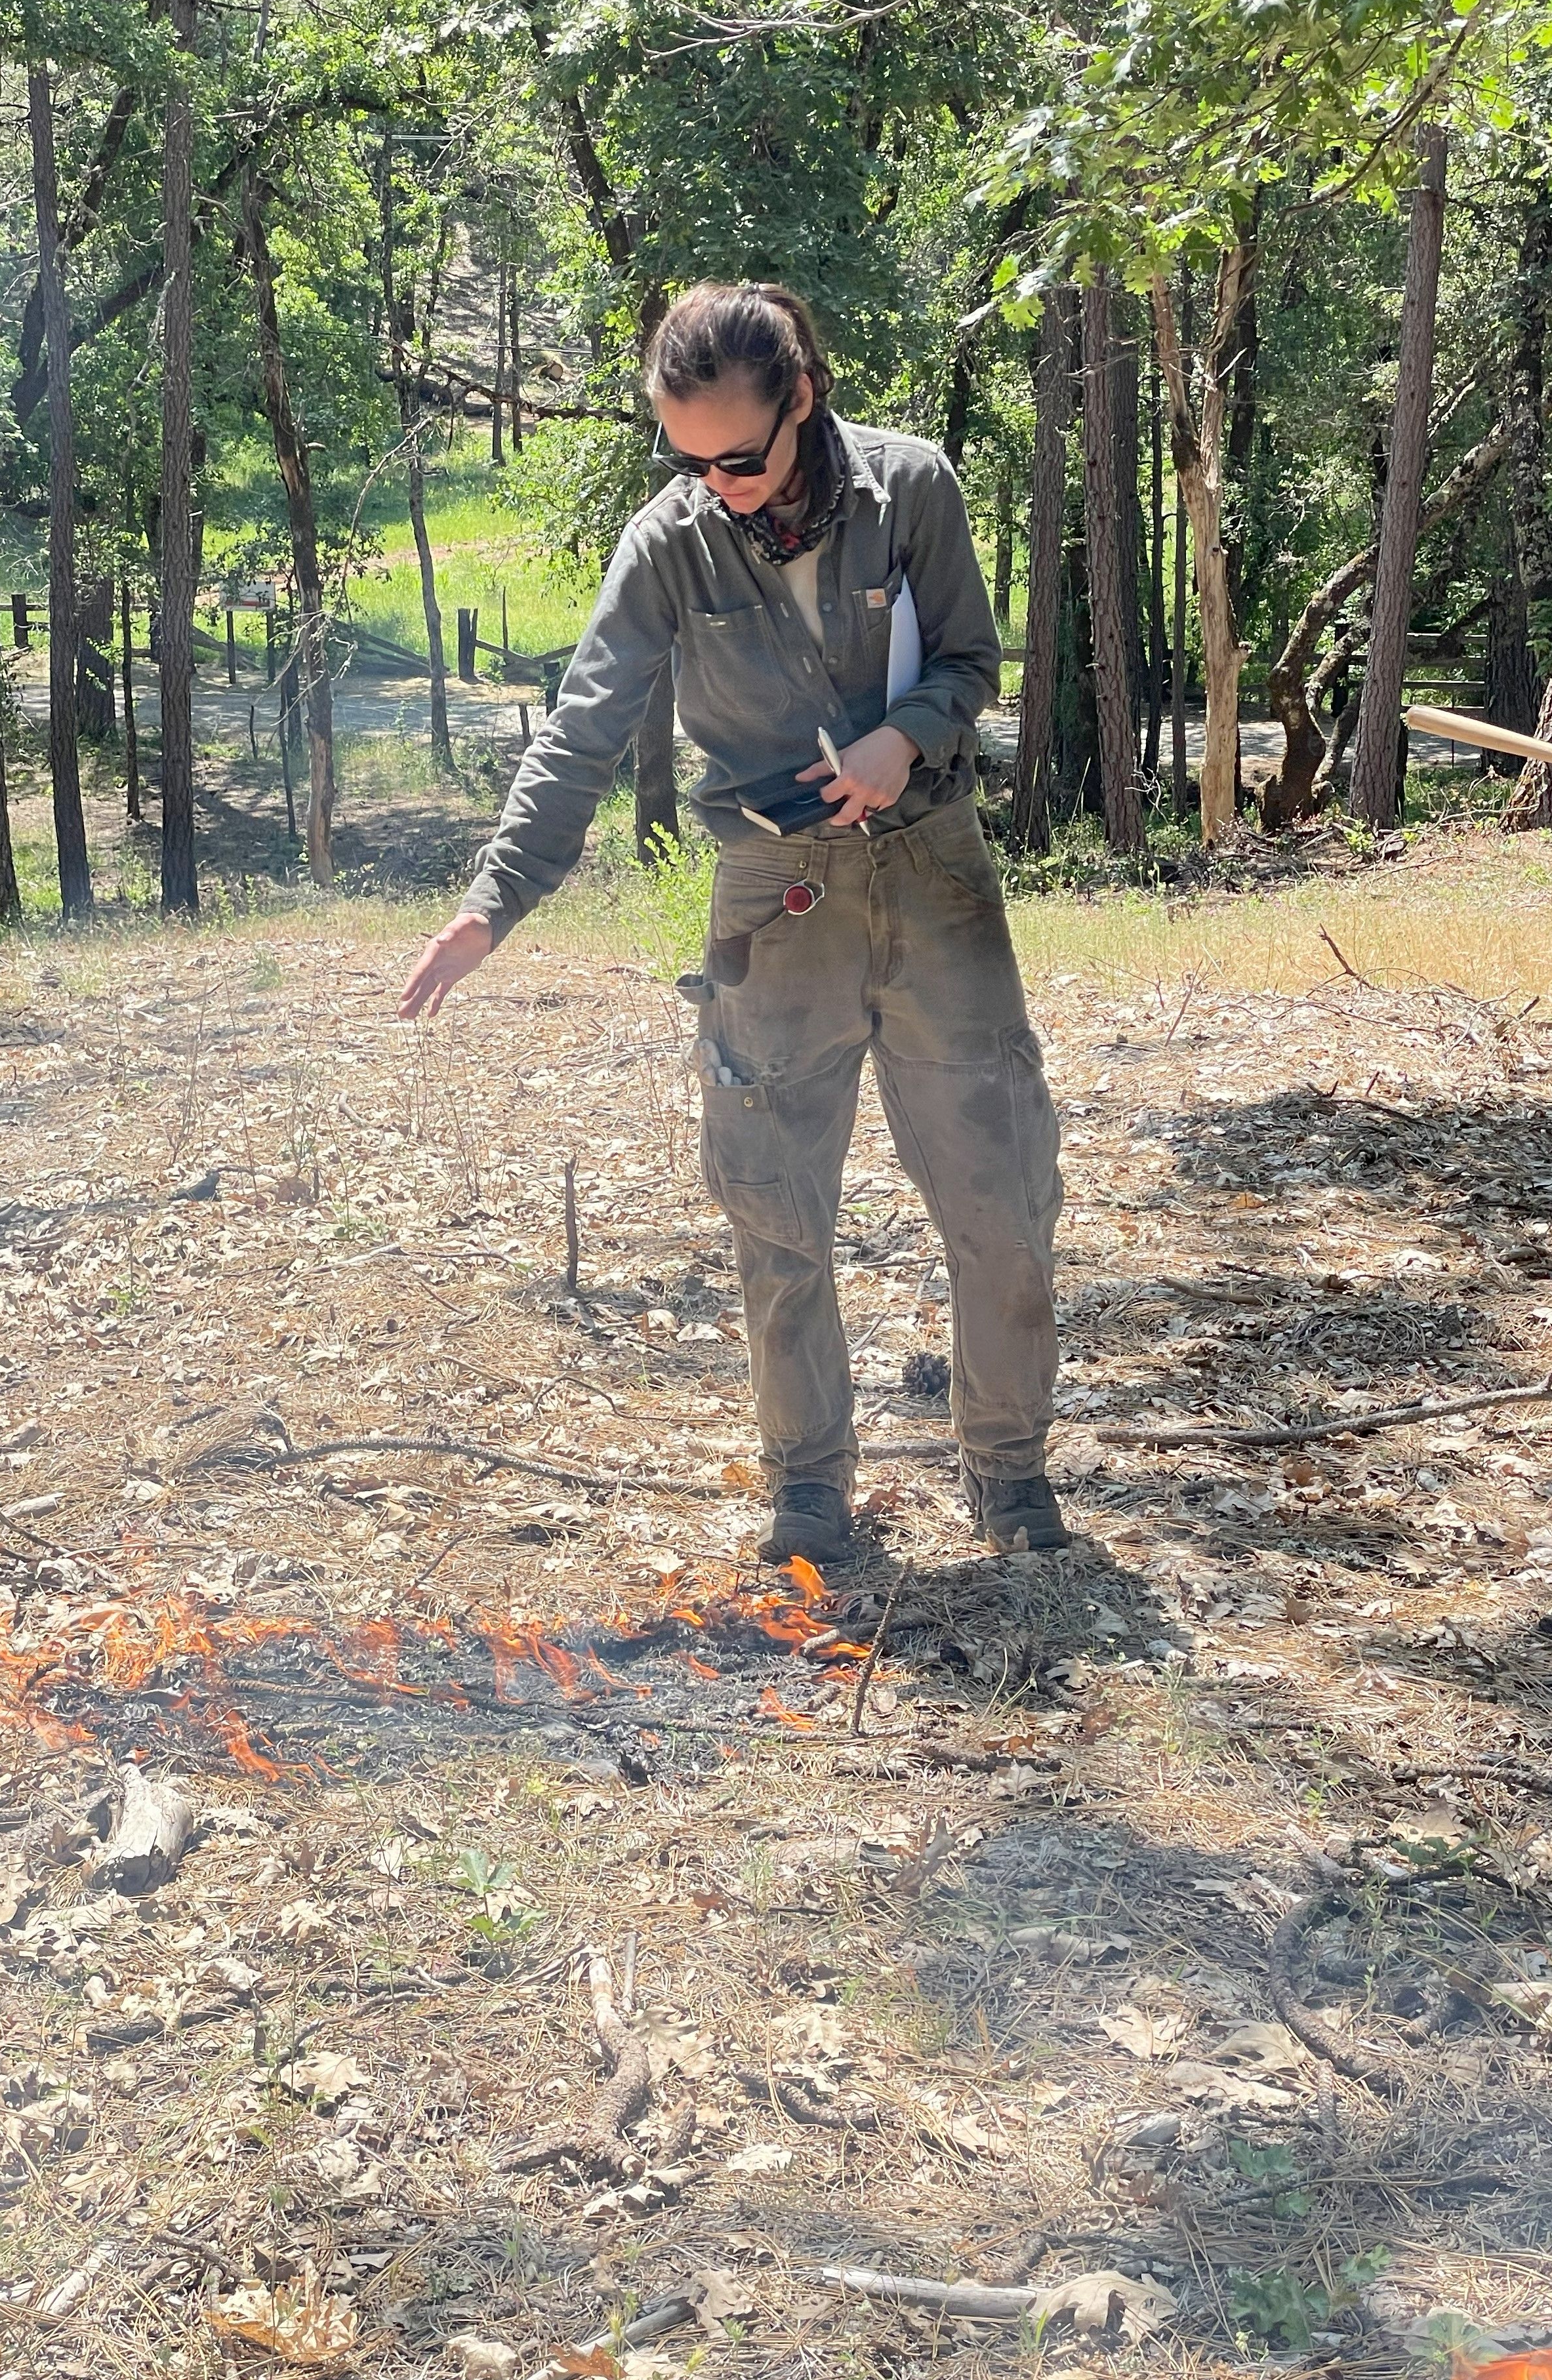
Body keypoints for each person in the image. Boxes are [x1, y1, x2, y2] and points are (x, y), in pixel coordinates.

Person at [398, 279, 1064, 1569]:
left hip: (934, 876)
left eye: (740, 457)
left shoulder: (912, 485)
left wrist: (901, 738)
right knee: (775, 1212)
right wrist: (492, 907)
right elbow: (583, 732)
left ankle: (1011, 1476)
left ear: (802, 397)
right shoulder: (669, 542)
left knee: (999, 1192)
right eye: (688, 459)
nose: (718, 483)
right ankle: (809, 1487)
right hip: (771, 907)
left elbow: (974, 666)